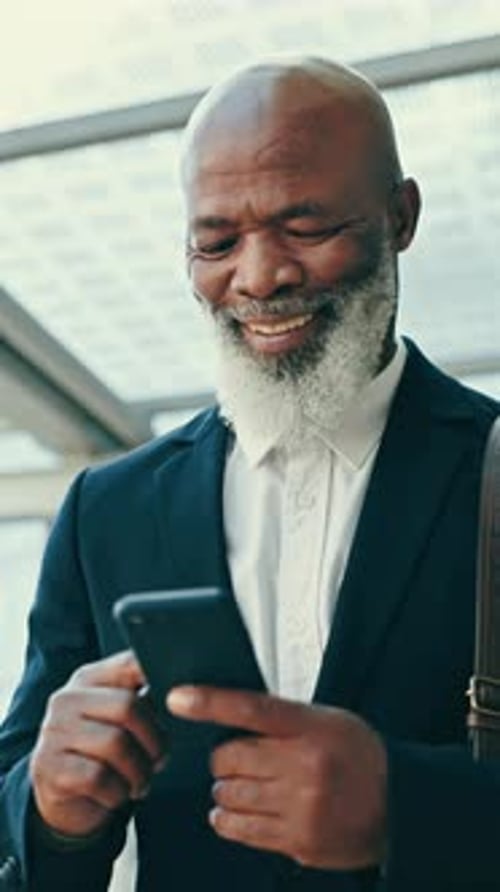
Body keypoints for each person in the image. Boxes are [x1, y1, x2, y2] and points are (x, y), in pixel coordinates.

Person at [0, 56, 498, 892]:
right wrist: (46, 805)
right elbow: (20, 821)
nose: (260, 276)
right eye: (217, 241)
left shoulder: (490, 470)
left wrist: (410, 811)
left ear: (400, 215)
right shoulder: (108, 510)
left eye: (306, 227)